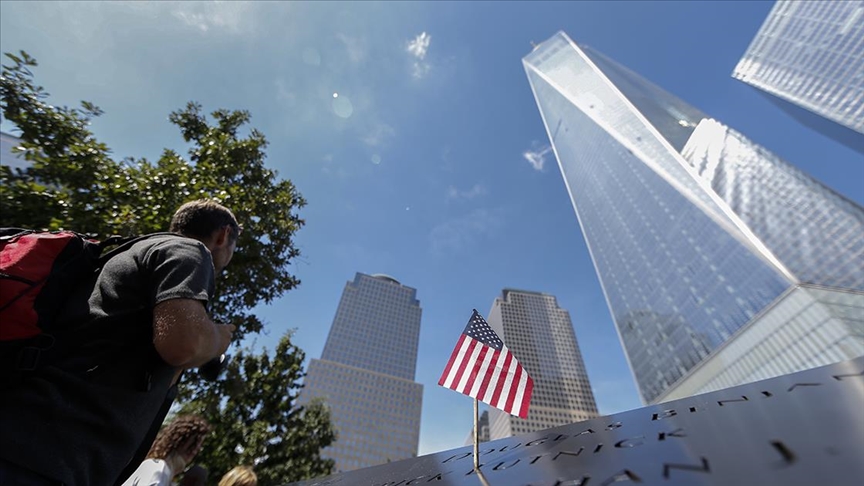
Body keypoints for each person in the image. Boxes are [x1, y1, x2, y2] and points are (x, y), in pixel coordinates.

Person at [0, 200, 239, 486]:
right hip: (46, 459)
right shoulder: (189, 250)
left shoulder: (127, 253)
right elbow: (183, 344)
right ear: (223, 235)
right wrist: (218, 337)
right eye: (234, 247)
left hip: (31, 445)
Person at [122, 415, 211, 486]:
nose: (197, 449)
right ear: (178, 440)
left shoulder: (156, 467)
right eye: (195, 443)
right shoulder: (159, 470)